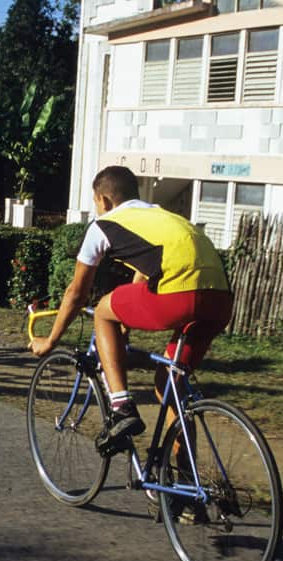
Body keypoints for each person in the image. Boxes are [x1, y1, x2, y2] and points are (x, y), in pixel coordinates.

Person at [29, 165, 233, 451]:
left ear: (103, 201)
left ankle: (121, 406)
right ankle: (184, 481)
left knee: (102, 310)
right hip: (220, 299)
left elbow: (77, 293)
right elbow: (147, 273)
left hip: (179, 294)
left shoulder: (104, 224)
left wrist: (50, 341)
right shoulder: (161, 215)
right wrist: (125, 323)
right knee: (170, 384)